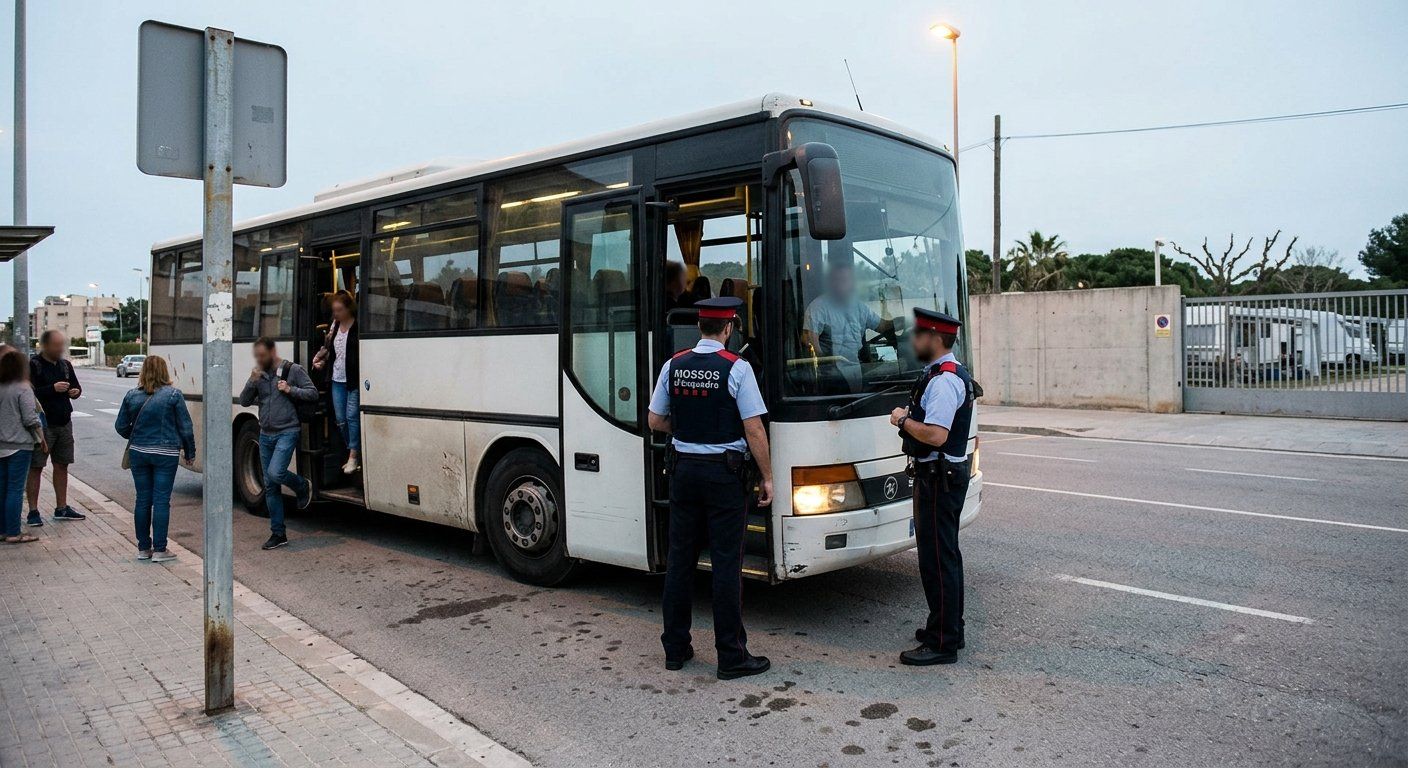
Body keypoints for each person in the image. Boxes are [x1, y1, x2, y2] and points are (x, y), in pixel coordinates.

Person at [646, 296, 774, 681]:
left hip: (683, 471)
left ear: (699, 327)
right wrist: (767, 476)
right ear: (729, 328)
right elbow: (753, 428)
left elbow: (655, 420)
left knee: (680, 560)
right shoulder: (737, 368)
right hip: (723, 476)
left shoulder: (674, 364)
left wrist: (687, 430)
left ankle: (675, 648)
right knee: (725, 565)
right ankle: (731, 656)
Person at [889, 308, 975, 666]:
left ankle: (943, 642)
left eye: (918, 335)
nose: (913, 341)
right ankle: (946, 626)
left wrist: (903, 419)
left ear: (935, 339)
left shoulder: (943, 381)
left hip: (939, 479)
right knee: (942, 556)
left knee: (938, 560)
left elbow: (936, 435)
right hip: (940, 476)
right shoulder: (940, 373)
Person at [115, 355, 195, 562]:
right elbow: (185, 427)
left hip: (139, 452)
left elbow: (120, 427)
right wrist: (190, 451)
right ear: (164, 371)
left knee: (142, 499)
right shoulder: (173, 395)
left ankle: (143, 549)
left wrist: (137, 436)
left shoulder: (132, 395)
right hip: (166, 454)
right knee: (161, 500)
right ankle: (160, 550)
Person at [239, 337, 316, 550]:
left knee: (275, 473)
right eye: (257, 356)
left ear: (273, 352)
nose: (259, 359)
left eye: (262, 355)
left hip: (287, 431)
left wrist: (291, 389)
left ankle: (302, 486)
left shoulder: (293, 370)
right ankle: (278, 533)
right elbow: (245, 401)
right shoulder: (259, 375)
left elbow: (312, 393)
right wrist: (251, 380)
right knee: (270, 486)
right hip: (265, 434)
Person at [802, 255, 897, 391]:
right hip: (832, 375)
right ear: (830, 282)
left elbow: (881, 326)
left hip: (857, 368)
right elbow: (809, 341)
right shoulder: (818, 307)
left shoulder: (858, 307)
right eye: (837, 280)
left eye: (845, 280)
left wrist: (898, 322)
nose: (841, 284)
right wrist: (827, 363)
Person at [27, 330, 84, 525]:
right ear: (45, 346)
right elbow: (29, 394)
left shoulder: (65, 365)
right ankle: (33, 511)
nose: (60, 349)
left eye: (62, 345)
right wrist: (52, 389)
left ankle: (62, 507)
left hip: (64, 422)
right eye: (56, 345)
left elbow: (75, 386)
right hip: (43, 424)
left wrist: (75, 392)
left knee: (62, 464)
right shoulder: (34, 365)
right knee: (36, 466)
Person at [312, 291, 361, 475]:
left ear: (349, 308)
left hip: (353, 378)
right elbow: (330, 350)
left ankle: (353, 455)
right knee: (340, 420)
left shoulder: (357, 326)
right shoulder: (335, 326)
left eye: (339, 310)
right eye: (334, 311)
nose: (336, 314)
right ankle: (354, 449)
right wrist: (321, 362)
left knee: (351, 416)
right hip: (336, 378)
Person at [0, 349, 44, 544]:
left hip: (1, 444)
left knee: (2, 489)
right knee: (15, 490)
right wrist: (41, 437)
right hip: (19, 444)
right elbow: (30, 418)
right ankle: (13, 532)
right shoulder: (23, 387)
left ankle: (2, 530)